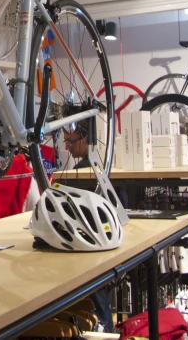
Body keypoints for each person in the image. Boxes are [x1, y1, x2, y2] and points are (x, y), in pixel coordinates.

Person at [63, 120, 114, 332]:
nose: (66, 146)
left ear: (84, 138)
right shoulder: (100, 167)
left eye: (70, 141)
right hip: (103, 258)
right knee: (102, 317)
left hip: (87, 262)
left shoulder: (81, 174)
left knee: (96, 318)